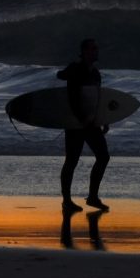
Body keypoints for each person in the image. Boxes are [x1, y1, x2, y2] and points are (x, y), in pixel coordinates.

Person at [57, 38, 110, 212]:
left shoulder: (95, 73)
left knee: (103, 157)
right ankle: (66, 201)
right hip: (75, 123)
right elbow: (61, 77)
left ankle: (93, 197)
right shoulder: (75, 68)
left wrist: (104, 119)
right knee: (71, 161)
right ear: (85, 52)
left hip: (91, 122)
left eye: (96, 49)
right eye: (92, 49)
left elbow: (97, 98)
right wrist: (70, 72)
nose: (96, 52)